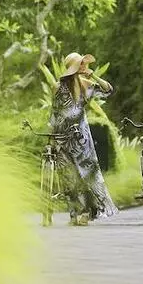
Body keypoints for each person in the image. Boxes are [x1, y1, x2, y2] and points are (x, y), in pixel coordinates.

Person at [50, 52, 119, 225]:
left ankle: (88, 212)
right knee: (68, 178)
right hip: (61, 137)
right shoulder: (57, 87)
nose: (84, 67)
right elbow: (54, 112)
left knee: (87, 175)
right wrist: (51, 137)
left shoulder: (86, 85)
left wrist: (93, 75)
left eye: (84, 64)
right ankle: (76, 214)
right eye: (81, 64)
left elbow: (108, 90)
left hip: (81, 138)